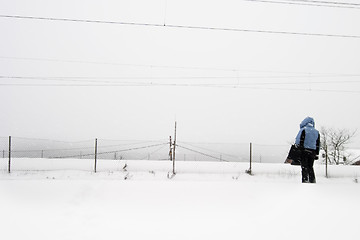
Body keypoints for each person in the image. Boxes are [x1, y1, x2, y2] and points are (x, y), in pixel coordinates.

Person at [295, 117, 320, 183]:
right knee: (310, 166)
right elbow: (318, 143)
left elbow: (299, 141)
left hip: (304, 151)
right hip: (313, 152)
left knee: (304, 167)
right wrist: (317, 153)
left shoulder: (303, 130)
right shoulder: (316, 132)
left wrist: (299, 149)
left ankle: (305, 180)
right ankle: (312, 180)